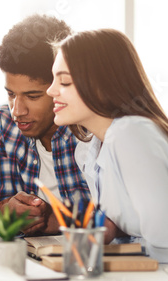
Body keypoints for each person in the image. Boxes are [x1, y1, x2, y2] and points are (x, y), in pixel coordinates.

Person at [47, 28, 168, 262]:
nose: (51, 90)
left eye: (64, 81)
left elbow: (165, 244)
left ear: (101, 85)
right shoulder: (88, 148)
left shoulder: (131, 133)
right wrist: (111, 227)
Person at [0, 14, 89, 236]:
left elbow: (118, 217)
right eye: (11, 94)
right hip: (30, 260)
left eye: (32, 96)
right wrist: (5, 211)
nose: (17, 110)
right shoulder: (3, 123)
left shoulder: (90, 127)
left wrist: (54, 220)